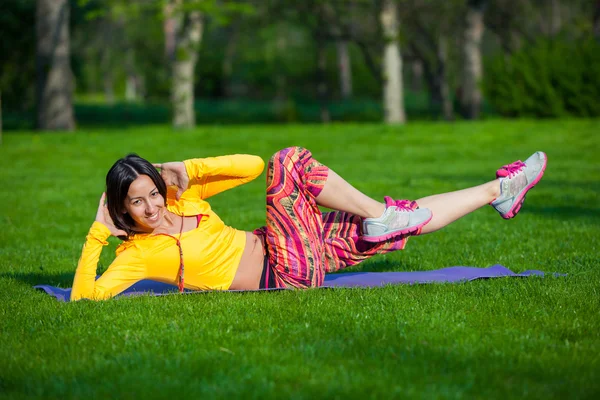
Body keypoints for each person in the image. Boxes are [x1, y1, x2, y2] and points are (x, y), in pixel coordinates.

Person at [71, 147, 547, 301]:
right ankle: (382, 217)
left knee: (389, 221)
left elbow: (249, 166)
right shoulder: (136, 253)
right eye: (138, 202)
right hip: (283, 273)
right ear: (122, 209)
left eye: (153, 192)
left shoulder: (183, 197)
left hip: (287, 244)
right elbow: (83, 297)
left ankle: (496, 193)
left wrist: (187, 170)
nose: (152, 206)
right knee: (290, 161)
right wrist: (97, 232)